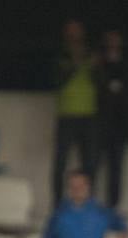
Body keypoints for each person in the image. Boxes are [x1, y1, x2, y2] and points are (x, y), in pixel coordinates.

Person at [52, 19, 98, 205]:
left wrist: (95, 66)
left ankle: (89, 202)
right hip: (67, 114)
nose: (74, 35)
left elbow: (102, 83)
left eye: (77, 31)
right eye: (70, 31)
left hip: (89, 115)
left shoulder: (91, 54)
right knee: (60, 162)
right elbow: (57, 81)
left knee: (90, 162)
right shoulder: (61, 55)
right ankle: (56, 202)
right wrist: (76, 63)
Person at [96, 29, 128, 209]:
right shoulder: (99, 64)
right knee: (94, 167)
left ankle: (112, 208)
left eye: (116, 40)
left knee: (116, 170)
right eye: (110, 40)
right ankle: (89, 206)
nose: (113, 44)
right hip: (100, 127)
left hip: (121, 127)